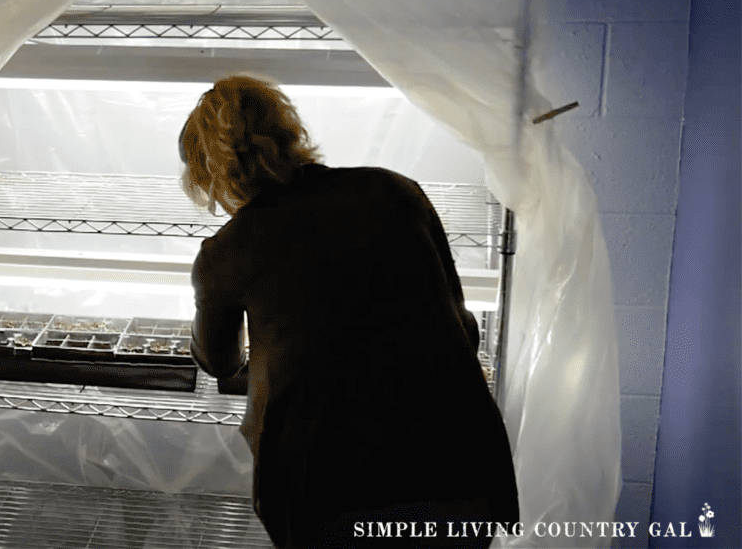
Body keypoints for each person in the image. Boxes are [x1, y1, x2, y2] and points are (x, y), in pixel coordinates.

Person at [178, 74, 519, 549]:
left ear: (209, 172)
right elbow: (461, 324)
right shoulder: (395, 192)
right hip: (455, 456)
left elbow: (219, 362)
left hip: (331, 481)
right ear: (288, 132)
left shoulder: (226, 252)